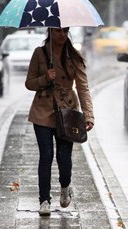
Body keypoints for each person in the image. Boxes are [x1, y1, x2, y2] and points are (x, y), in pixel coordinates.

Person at [25, 27, 94, 216]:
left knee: (64, 157)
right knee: (45, 155)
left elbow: (83, 87)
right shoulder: (40, 53)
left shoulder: (74, 55)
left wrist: (88, 114)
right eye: (57, 31)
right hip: (43, 110)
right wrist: (44, 78)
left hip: (67, 111)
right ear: (50, 31)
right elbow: (29, 83)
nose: (62, 35)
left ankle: (65, 186)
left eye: (65, 31)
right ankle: (44, 200)